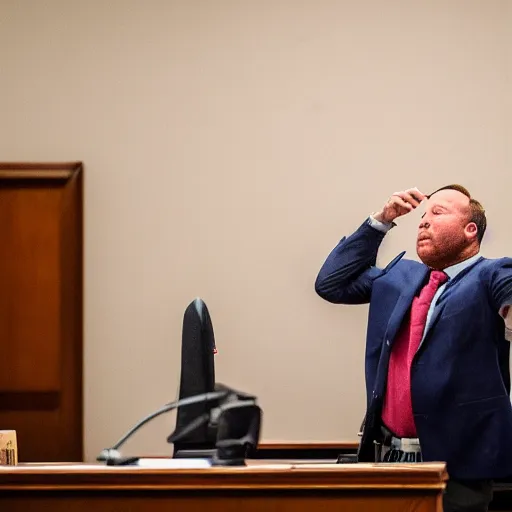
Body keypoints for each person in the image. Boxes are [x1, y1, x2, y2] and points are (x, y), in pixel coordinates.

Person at [315, 185, 512, 512]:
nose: (423, 222)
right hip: (389, 458)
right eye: (422, 215)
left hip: (458, 468)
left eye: (438, 213)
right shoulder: (399, 277)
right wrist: (382, 220)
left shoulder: (493, 274)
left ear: (470, 230)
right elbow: (331, 284)